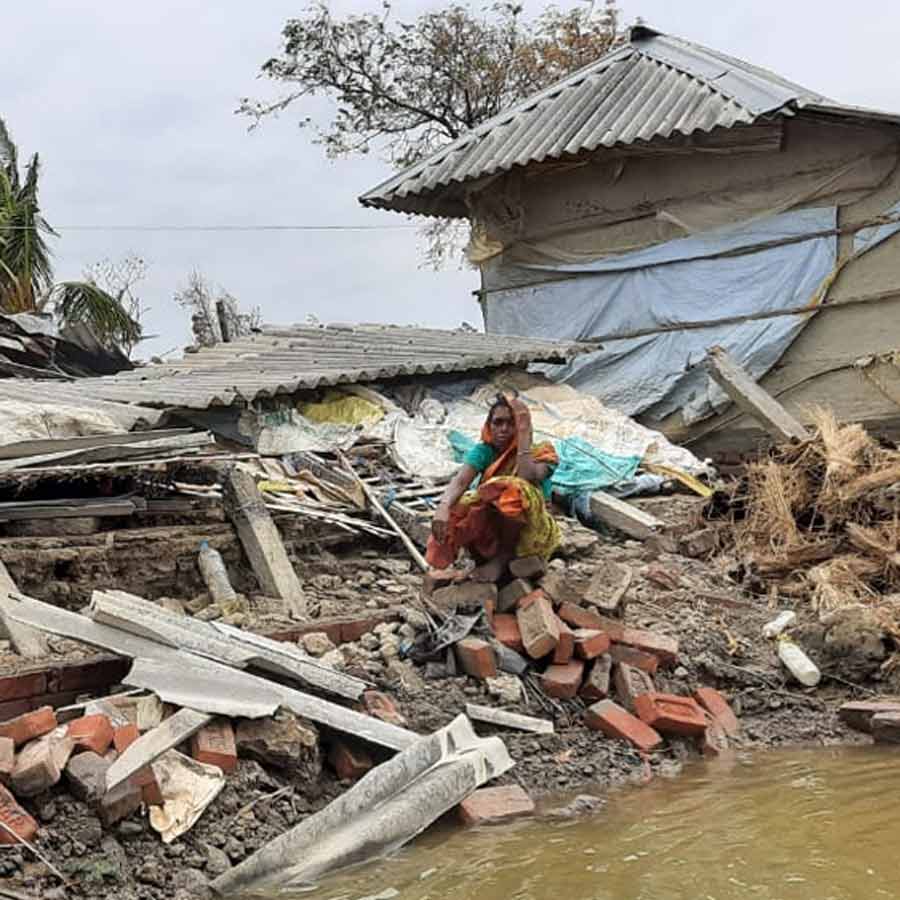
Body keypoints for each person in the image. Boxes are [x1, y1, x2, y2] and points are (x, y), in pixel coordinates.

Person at [427, 394, 561, 582]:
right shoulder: (484, 451)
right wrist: (442, 507)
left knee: (513, 489)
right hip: (495, 527)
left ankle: (502, 560)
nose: (503, 429)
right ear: (488, 426)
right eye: (498, 423)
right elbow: (460, 482)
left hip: (532, 532)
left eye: (511, 423)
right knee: (461, 505)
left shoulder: (543, 452)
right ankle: (469, 560)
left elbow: (526, 476)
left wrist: (524, 435)